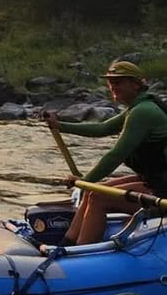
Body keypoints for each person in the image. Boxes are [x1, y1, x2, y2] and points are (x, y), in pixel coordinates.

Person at [48, 61, 167, 246]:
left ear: (135, 84)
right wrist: (61, 126)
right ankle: (66, 244)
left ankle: (79, 254)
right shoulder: (137, 107)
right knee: (91, 192)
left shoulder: (144, 111)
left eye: (118, 82)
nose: (112, 86)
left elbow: (116, 155)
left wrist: (85, 181)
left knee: (98, 197)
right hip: (155, 181)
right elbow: (103, 128)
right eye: (111, 81)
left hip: (162, 189)